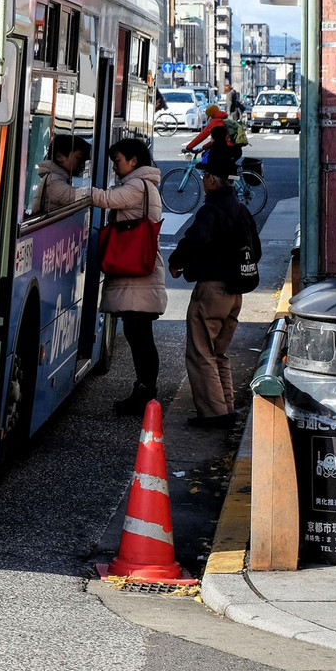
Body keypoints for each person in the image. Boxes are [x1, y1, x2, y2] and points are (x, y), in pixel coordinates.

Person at [167, 152, 262, 428]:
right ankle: (226, 407)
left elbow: (194, 240)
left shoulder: (211, 210)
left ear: (211, 179)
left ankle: (214, 414)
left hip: (212, 289)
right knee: (219, 351)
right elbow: (255, 250)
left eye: (205, 176)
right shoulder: (241, 210)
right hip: (236, 292)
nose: (204, 180)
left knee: (201, 351)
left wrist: (177, 263)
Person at [87, 137, 166, 414]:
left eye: (117, 161)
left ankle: (146, 393)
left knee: (140, 336)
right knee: (139, 335)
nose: (115, 167)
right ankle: (145, 390)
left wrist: (71, 193)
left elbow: (105, 199)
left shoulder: (136, 186)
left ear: (133, 161)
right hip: (139, 274)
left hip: (139, 276)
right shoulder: (142, 184)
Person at [33, 134, 91, 214]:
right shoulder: (53, 180)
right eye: (79, 158)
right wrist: (101, 196)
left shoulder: (58, 178)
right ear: (59, 157)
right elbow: (72, 197)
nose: (83, 163)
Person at [184, 104, 242, 170]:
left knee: (208, 162)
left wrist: (189, 147)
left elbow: (202, 136)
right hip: (236, 149)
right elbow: (216, 140)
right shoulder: (224, 120)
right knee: (221, 171)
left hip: (227, 149)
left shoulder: (215, 122)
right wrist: (203, 147)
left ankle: (211, 178)